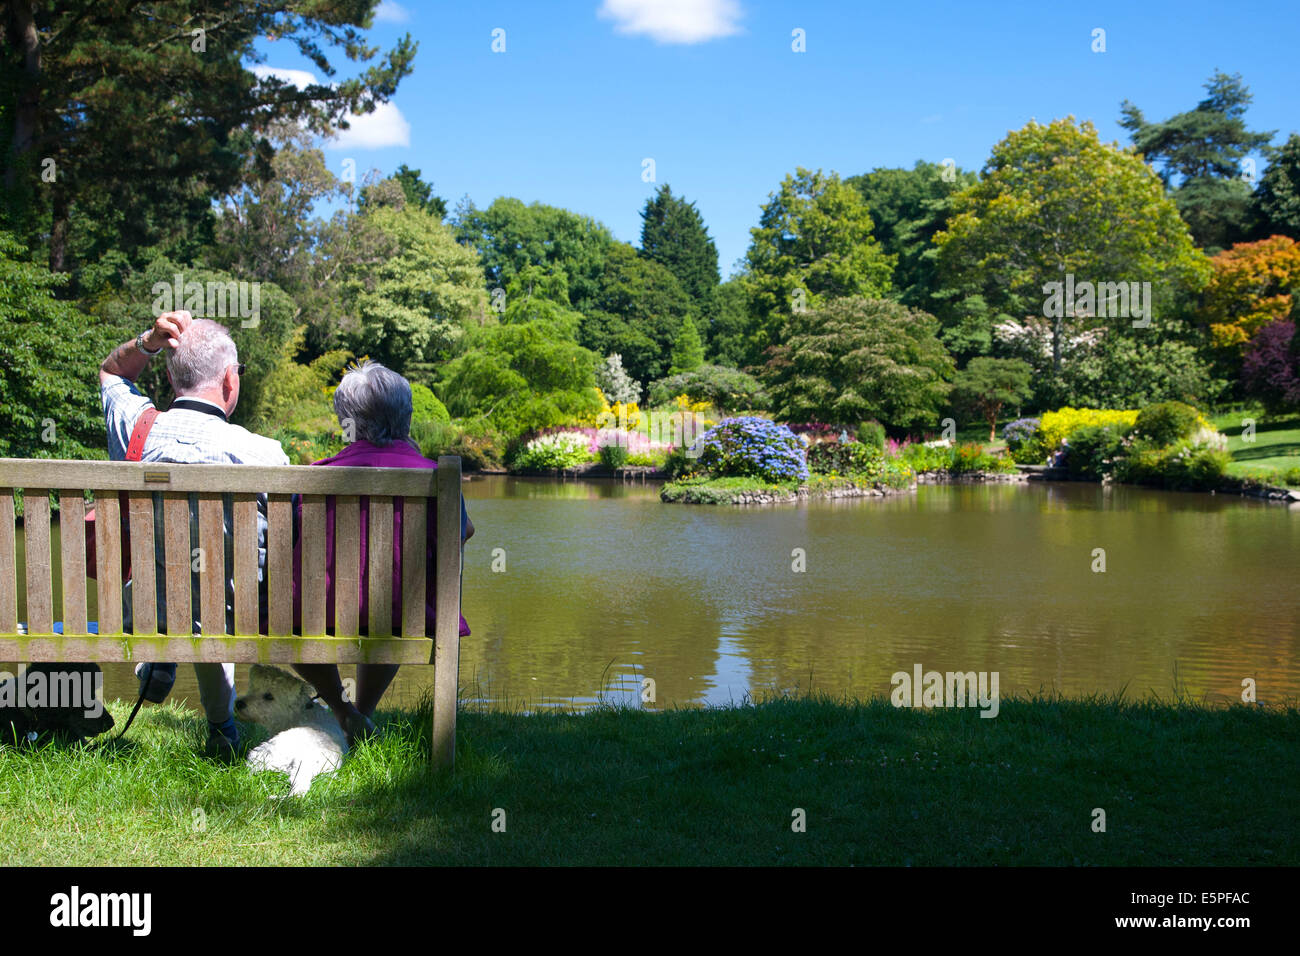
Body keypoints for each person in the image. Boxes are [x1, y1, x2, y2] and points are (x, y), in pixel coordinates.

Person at [99, 311, 289, 759]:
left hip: (147, 605)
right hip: (235, 614)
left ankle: (161, 647)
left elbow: (110, 372)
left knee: (176, 590)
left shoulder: (138, 430)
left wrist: (147, 340)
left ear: (169, 375)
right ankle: (222, 730)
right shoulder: (264, 453)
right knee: (215, 598)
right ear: (230, 380)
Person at [291, 360, 472, 747]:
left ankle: (345, 713)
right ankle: (362, 714)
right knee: (392, 602)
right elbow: (463, 533)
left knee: (295, 611)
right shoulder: (434, 477)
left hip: (315, 617)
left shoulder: (314, 477)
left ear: (346, 422)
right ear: (406, 419)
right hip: (406, 616)